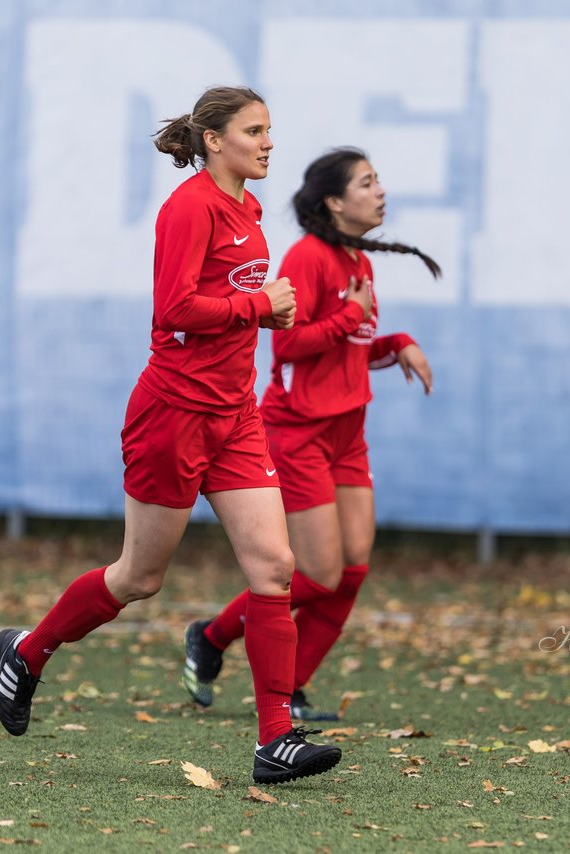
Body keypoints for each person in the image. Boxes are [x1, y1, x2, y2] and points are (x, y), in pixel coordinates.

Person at [0, 86, 341, 785]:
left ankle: (275, 739)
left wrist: (261, 318)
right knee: (139, 578)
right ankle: (27, 653)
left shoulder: (248, 207)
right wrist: (257, 304)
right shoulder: (191, 207)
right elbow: (175, 308)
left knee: (275, 568)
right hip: (173, 414)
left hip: (234, 417)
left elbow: (226, 308)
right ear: (213, 140)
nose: (268, 142)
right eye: (253, 130)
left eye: (271, 129)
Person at [181, 147, 438, 720]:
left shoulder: (358, 262)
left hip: (349, 433)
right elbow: (290, 345)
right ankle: (213, 636)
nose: (380, 192)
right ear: (335, 202)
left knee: (352, 571)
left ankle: (290, 687)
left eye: (378, 180)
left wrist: (394, 344)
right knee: (318, 574)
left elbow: (343, 351)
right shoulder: (308, 257)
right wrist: (350, 317)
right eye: (368, 183)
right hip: (298, 433)